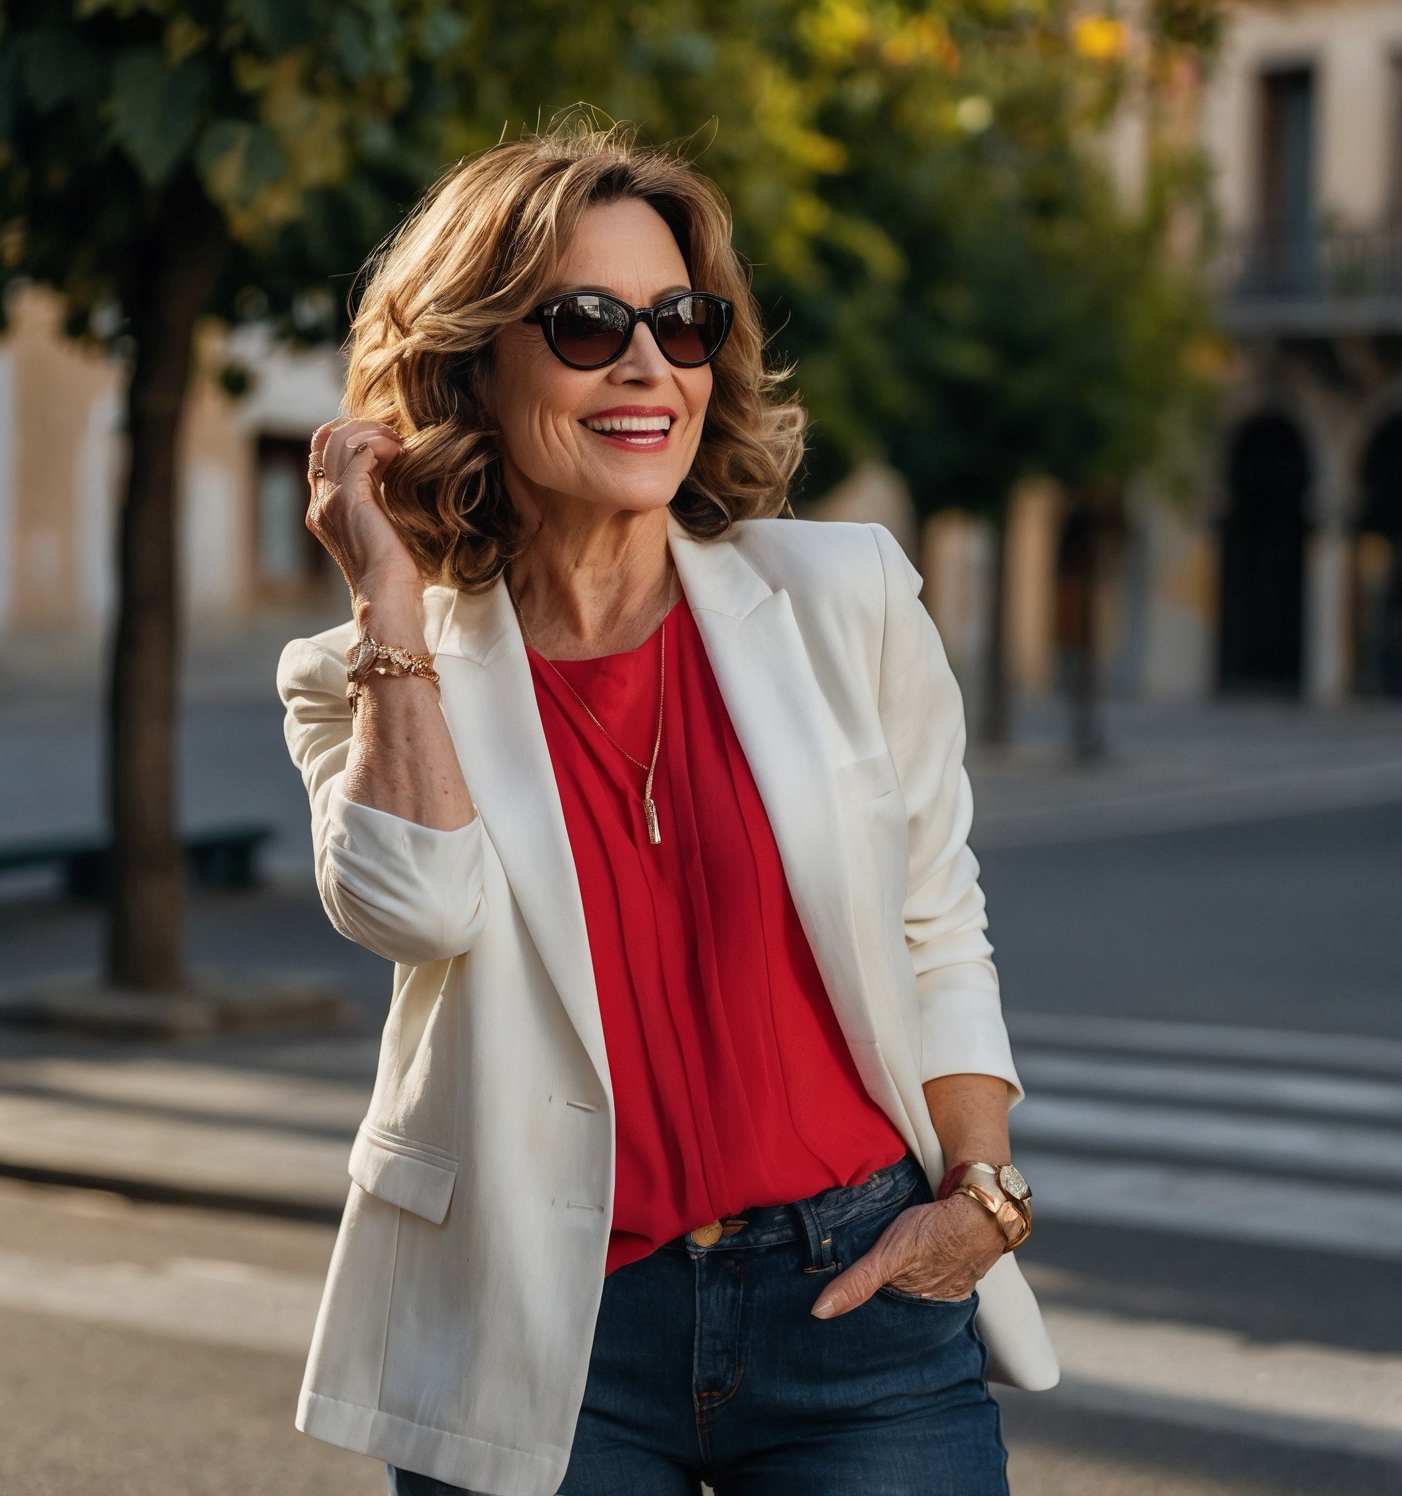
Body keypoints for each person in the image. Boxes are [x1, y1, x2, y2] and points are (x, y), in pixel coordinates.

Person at [279, 122, 1057, 1496]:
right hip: (542, 1327)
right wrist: (389, 602)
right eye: (584, 324)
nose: (647, 365)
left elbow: (939, 921)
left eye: (680, 322)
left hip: (858, 1305)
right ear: (473, 360)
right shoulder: (369, 673)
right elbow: (413, 904)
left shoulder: (844, 598)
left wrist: (981, 1202)